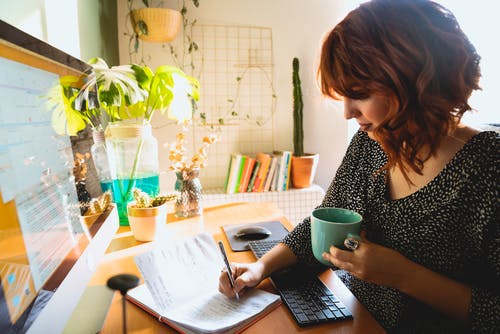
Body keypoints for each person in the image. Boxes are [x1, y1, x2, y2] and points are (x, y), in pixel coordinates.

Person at [218, 0, 499, 332]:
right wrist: (258, 269)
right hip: (347, 315)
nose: (348, 112)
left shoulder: (488, 168)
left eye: (360, 94)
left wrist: (403, 275)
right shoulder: (370, 142)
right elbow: (324, 222)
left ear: (413, 81)